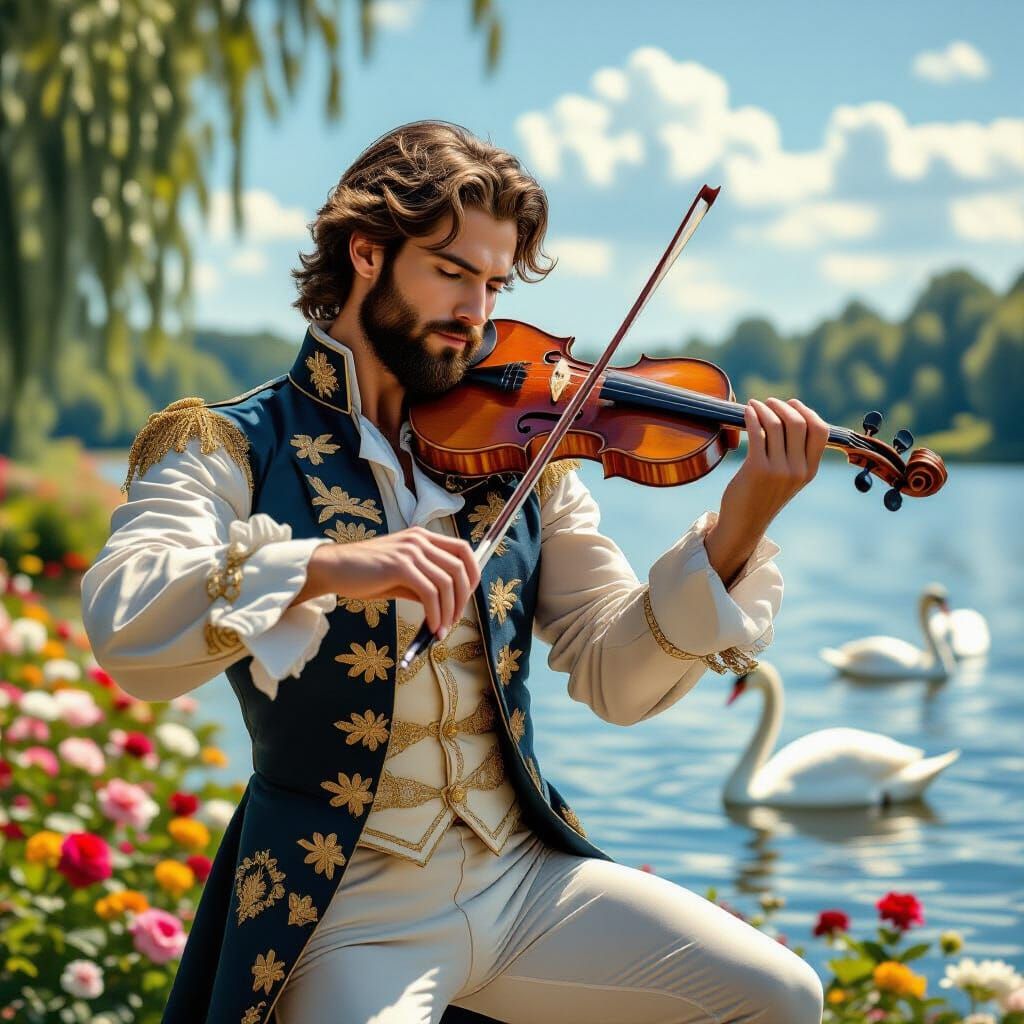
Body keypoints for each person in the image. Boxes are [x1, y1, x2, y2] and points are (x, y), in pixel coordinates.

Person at [82, 120, 828, 1024]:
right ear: (366, 253)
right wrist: (327, 565)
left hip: (523, 876)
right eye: (451, 271)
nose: (476, 311)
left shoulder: (525, 450)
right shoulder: (232, 444)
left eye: (493, 282)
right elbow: (125, 620)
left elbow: (614, 674)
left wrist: (741, 525)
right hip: (351, 904)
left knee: (779, 994)